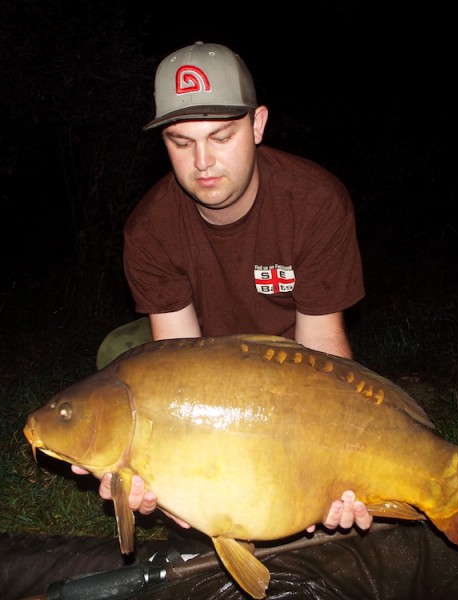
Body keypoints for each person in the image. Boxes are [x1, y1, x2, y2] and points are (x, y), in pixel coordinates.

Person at [75, 41, 372, 534]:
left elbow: (323, 349)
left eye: (221, 135)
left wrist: (333, 461)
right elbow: (176, 362)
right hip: (206, 362)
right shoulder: (149, 230)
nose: (203, 161)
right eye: (181, 141)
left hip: (290, 358)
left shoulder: (315, 202)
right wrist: (158, 468)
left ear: (257, 125)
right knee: (119, 360)